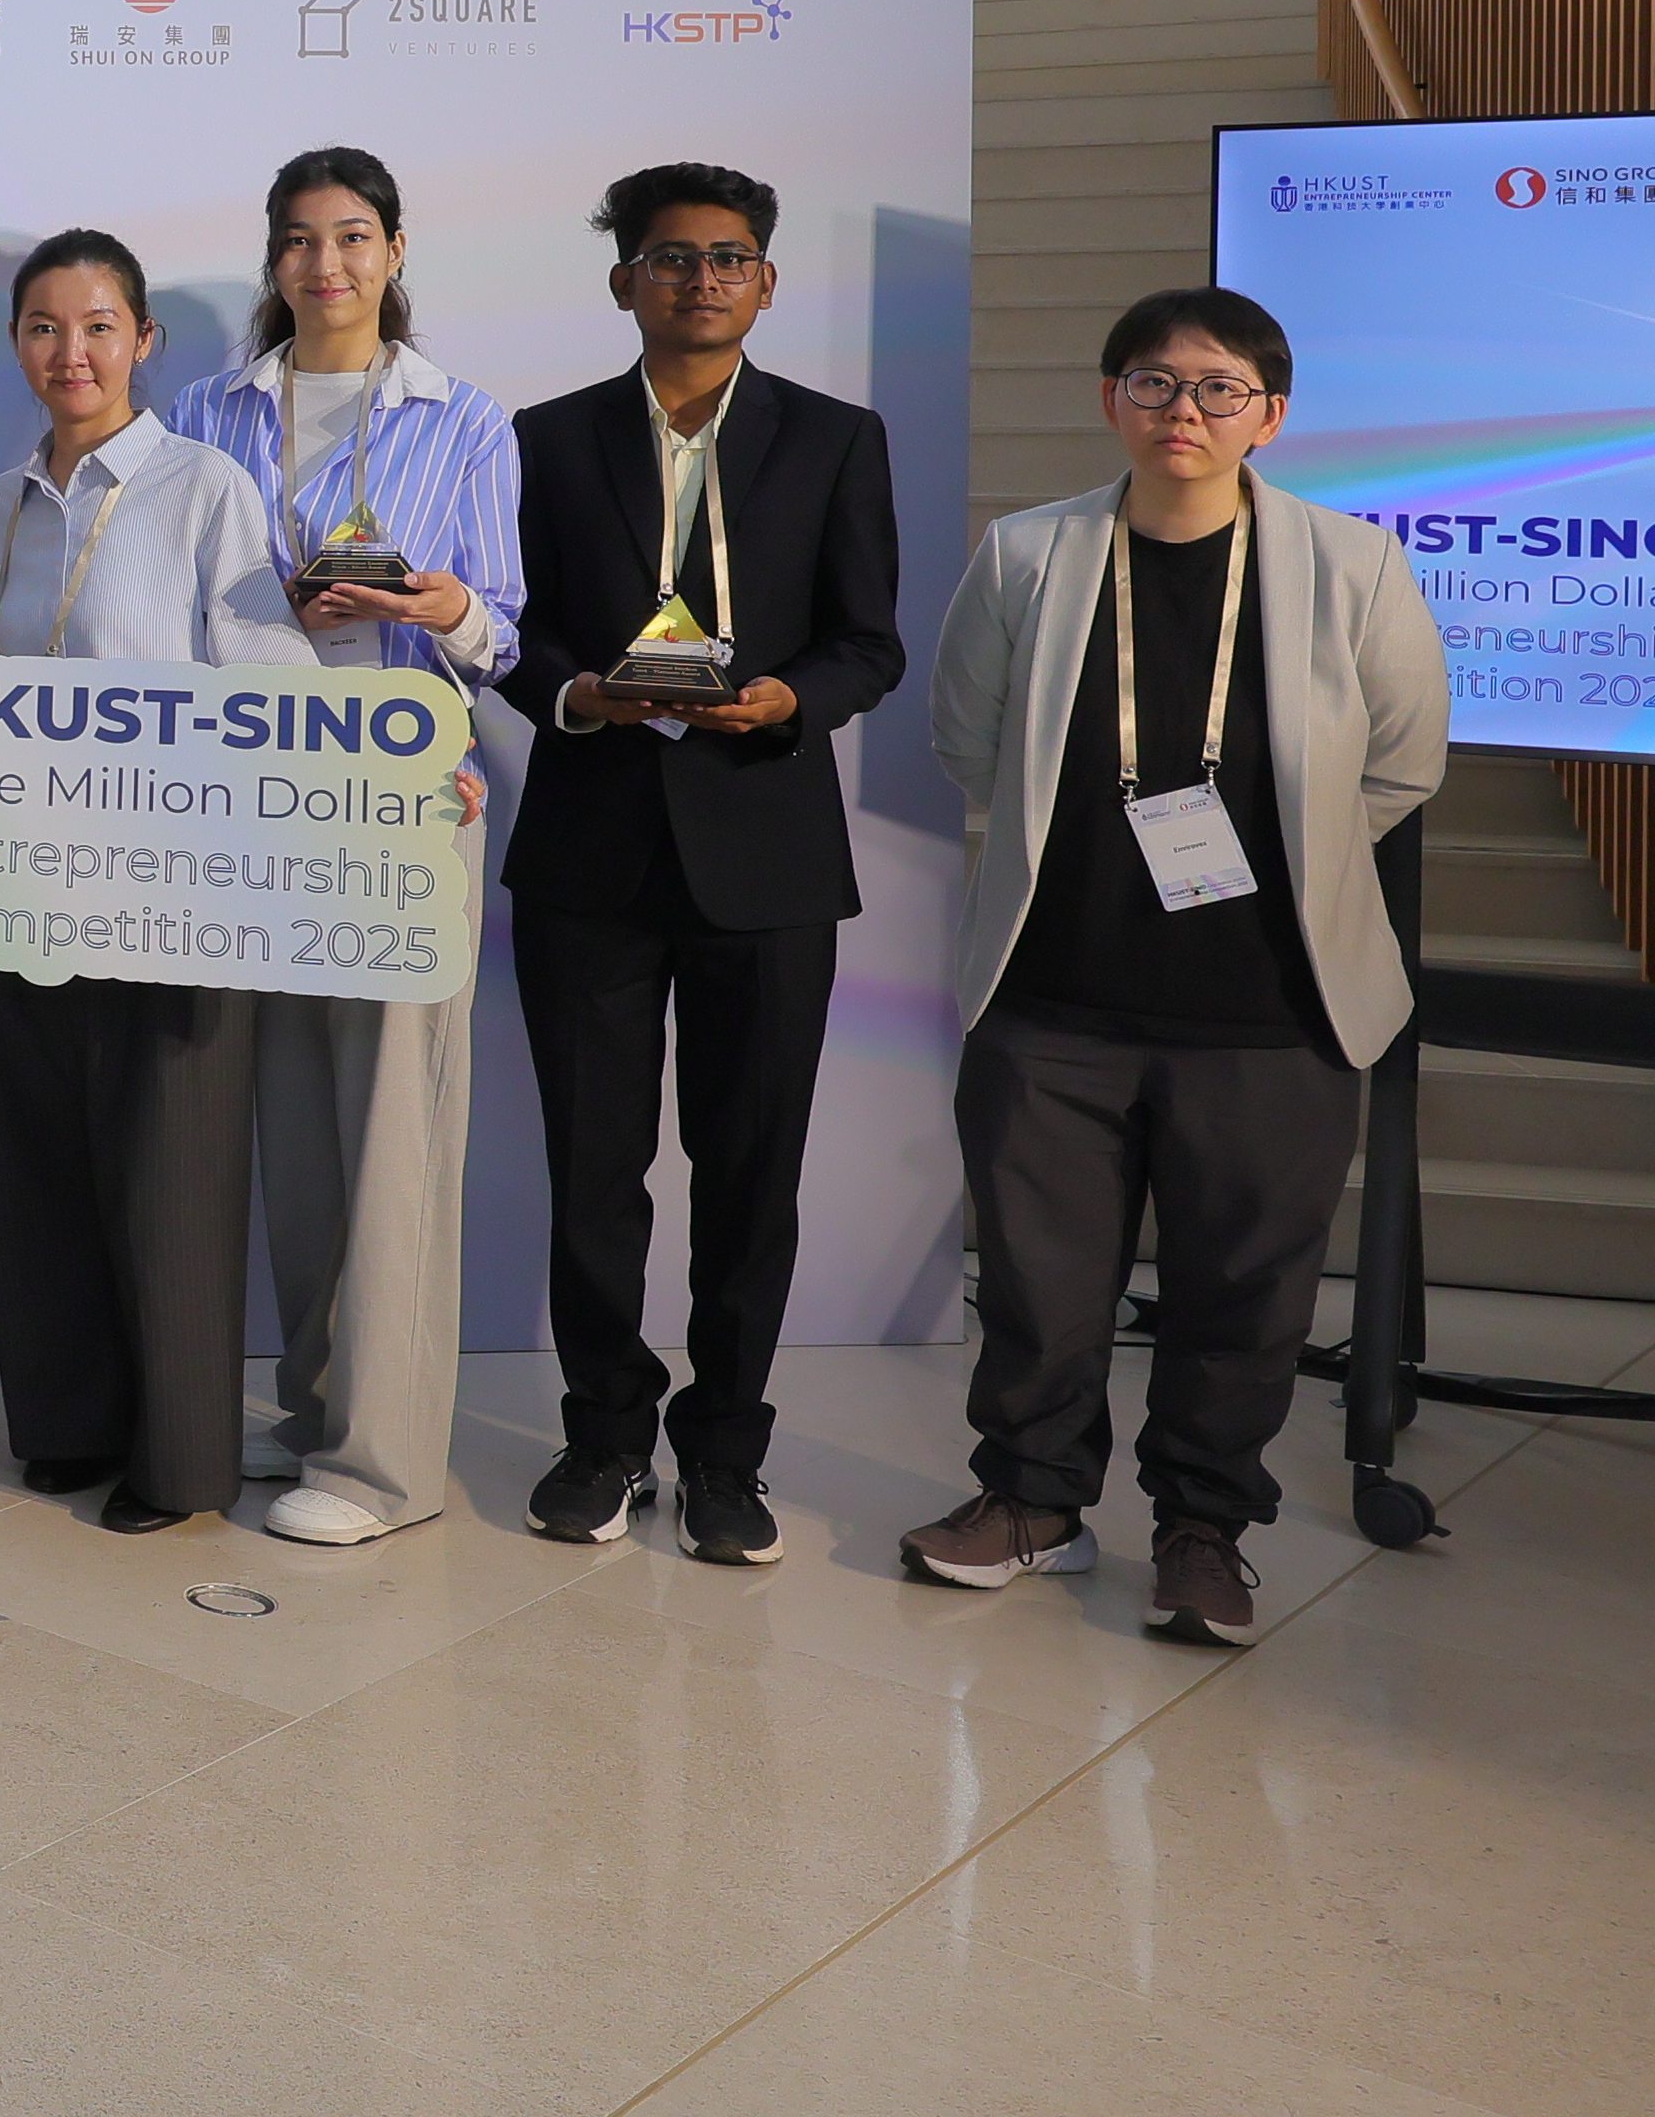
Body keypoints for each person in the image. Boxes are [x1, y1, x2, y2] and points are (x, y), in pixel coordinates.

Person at [898, 289, 1445, 1646]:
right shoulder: (1030, 555)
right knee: (1037, 1279)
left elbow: (1401, 759)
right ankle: (1030, 1503)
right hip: (1056, 1001)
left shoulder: (1351, 564)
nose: (1183, 411)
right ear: (1111, 402)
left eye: (1216, 388)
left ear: (1271, 413)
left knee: (1243, 1295)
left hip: (1271, 1011)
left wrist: (1296, 858)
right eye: (1153, 384)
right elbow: (966, 738)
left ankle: (1204, 1533)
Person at [503, 162, 906, 1564]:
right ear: (626, 282)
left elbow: (871, 640)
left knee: (751, 1172)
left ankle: (726, 1452)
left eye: (728, 258)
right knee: (595, 1169)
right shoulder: (545, 440)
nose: (700, 280)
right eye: (670, 260)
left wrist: (793, 697)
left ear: (767, 282)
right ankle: (605, 1435)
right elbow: (517, 633)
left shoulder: (834, 439)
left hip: (769, 856)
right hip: (590, 854)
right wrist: (578, 694)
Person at [162, 149, 520, 1546]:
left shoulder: (463, 418)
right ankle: (314, 1415)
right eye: (302, 242)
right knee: (295, 1119)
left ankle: (384, 1467)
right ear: (272, 259)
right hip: (249, 795)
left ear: (396, 249)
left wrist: (438, 610)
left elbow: (505, 635)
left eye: (354, 238)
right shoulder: (205, 409)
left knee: (392, 1125)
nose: (328, 266)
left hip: (400, 794)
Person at [0, 229, 315, 1535]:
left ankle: (177, 1464)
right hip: (12, 890)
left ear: (145, 340)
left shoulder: (206, 488)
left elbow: (271, 698)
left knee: (173, 1174)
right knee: (39, 1159)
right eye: (46, 328)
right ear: (18, 346)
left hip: (177, 894)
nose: (73, 353)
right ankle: (64, 1426)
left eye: (100, 325)